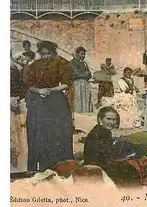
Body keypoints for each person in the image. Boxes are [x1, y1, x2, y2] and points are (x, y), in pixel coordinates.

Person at [24, 41, 73, 172]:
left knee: (56, 133)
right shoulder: (34, 65)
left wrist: (51, 90)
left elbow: (66, 84)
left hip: (56, 101)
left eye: (48, 54)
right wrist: (39, 91)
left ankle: (58, 165)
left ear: (53, 53)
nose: (46, 56)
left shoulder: (61, 63)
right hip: (38, 103)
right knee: (38, 134)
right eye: (43, 54)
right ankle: (38, 167)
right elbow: (29, 85)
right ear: (39, 53)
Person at [84, 107, 147, 186]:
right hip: (99, 166)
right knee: (132, 168)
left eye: (114, 120)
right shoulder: (102, 133)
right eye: (108, 119)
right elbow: (105, 157)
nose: (112, 122)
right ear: (100, 120)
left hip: (99, 163)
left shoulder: (100, 130)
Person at [11, 52, 24, 170]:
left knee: (14, 133)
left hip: (12, 101)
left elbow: (20, 87)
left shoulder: (14, 68)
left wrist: (16, 97)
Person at [71, 47, 93, 114]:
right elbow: (74, 74)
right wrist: (84, 74)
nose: (83, 56)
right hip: (77, 84)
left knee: (86, 99)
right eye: (81, 54)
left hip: (85, 84)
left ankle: (85, 114)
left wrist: (85, 74)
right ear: (77, 54)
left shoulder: (84, 64)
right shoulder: (72, 62)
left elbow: (89, 75)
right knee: (78, 99)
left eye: (84, 54)